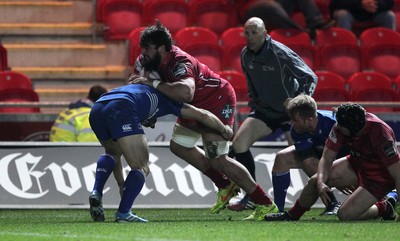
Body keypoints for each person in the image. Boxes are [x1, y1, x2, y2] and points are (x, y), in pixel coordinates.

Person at [130, 20, 279, 221]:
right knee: (179, 146)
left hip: (216, 100)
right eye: (143, 48)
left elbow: (186, 92)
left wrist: (154, 82)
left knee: (218, 159)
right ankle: (225, 185)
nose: (143, 53)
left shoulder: (180, 62)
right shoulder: (144, 62)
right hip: (193, 108)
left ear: (162, 48)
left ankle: (265, 203)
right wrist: (147, 112)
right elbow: (138, 86)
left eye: (147, 48)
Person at [88, 83, 235, 223]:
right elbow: (202, 114)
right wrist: (224, 129)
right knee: (141, 167)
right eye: (153, 122)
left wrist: (121, 185)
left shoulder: (140, 90)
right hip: (122, 107)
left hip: (98, 107)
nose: (152, 126)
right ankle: (124, 213)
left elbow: (116, 158)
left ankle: (96, 192)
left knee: (112, 153)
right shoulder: (168, 100)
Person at [226, 17, 318, 211]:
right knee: (239, 145)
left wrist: (297, 104)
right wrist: (255, 104)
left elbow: (310, 77)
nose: (250, 37)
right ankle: (251, 197)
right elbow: (252, 86)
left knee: (304, 158)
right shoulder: (245, 55)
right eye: (247, 33)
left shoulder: (280, 53)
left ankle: (331, 201)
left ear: (265, 33)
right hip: (265, 111)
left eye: (254, 33)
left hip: (289, 114)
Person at [265, 103, 400, 221]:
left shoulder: (380, 133)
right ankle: (292, 215)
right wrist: (321, 183)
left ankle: (385, 207)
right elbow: (327, 158)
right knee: (314, 180)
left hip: (379, 177)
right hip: (356, 163)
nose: (337, 127)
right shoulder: (340, 125)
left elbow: (397, 173)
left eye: (341, 126)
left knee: (345, 215)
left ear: (352, 129)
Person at [271, 94, 345, 215]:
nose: (291, 123)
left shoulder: (334, 124)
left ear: (309, 120)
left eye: (294, 120)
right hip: (322, 158)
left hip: (344, 158)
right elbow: (309, 161)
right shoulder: (297, 130)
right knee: (282, 158)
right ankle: (278, 209)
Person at [236, 0, 335, 35]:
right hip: (251, 10)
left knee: (271, 5)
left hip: (274, 5)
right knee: (269, 5)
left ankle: (316, 22)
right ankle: (302, 33)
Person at [329, 0, 396, 31]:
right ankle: (344, 46)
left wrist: (376, 5)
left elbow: (389, 2)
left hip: (372, 12)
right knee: (343, 15)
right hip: (350, 11)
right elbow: (335, 3)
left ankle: (388, 48)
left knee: (389, 16)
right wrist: (361, 4)